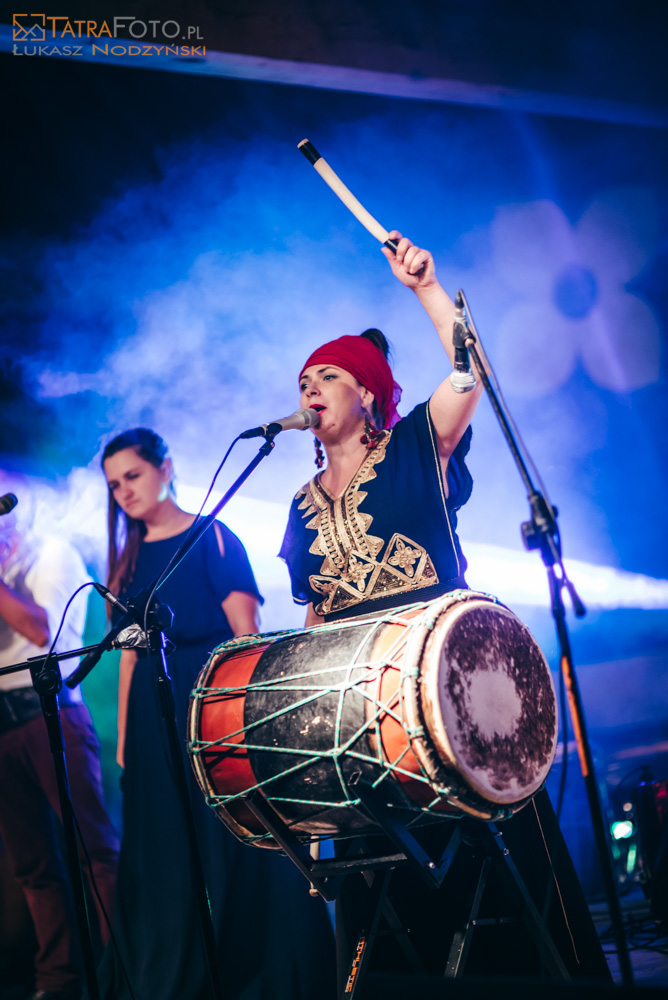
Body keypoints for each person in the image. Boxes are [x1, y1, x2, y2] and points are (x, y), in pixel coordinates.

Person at [279, 233, 611, 986]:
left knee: (489, 866)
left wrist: (426, 291)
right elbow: (316, 615)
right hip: (363, 714)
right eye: (304, 380)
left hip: (444, 690)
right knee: (386, 877)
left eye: (329, 375)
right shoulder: (299, 505)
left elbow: (469, 374)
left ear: (368, 394)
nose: (311, 387)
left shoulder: (411, 448)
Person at [98, 428, 336, 1000]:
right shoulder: (126, 560)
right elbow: (128, 655)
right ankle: (177, 970)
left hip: (213, 701)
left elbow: (246, 634)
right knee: (165, 845)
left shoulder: (212, 535)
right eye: (114, 484)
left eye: (132, 475)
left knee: (234, 830)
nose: (124, 491)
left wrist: (248, 719)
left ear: (165, 468)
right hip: (152, 714)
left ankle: (256, 967)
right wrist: (126, 739)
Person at [0, 470, 119, 1000]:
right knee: (32, 866)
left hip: (49, 712)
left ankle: (120, 973)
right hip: (3, 724)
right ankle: (58, 982)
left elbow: (42, 631)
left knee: (93, 850)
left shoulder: (52, 554)